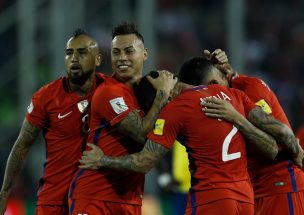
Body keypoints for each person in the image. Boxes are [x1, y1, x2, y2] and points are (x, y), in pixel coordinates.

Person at [79, 57, 298, 214]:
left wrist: (102, 160)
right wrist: (239, 120)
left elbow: (144, 162)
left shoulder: (177, 110)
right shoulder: (233, 95)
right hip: (246, 200)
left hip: (212, 199)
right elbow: (271, 147)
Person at [68, 23, 177, 215]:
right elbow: (141, 132)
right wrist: (162, 94)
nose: (121, 58)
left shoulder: (146, 91)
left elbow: (153, 140)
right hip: (95, 198)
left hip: (130, 200)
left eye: (128, 51)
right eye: (116, 52)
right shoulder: (110, 92)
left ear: (144, 54)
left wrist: (164, 176)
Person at [0, 29, 105, 215]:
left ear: (98, 59)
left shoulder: (111, 91)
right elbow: (21, 145)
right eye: (69, 53)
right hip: (54, 201)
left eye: (82, 53)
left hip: (93, 200)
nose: (74, 58)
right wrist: (5, 191)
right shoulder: (47, 97)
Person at [203, 49, 304, 214]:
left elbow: (280, 137)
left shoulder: (251, 88)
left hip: (280, 186)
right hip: (254, 190)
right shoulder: (226, 98)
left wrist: (297, 152)